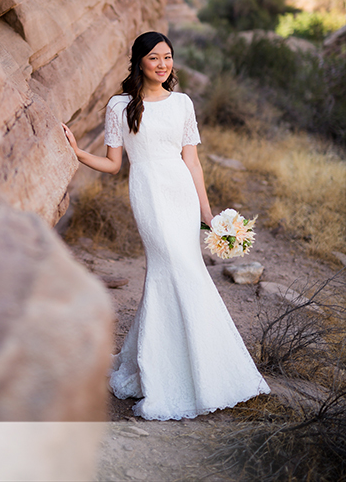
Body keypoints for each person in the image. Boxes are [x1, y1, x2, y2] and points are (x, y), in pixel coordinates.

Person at [62, 31, 269, 420]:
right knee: (172, 269)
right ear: (139, 61)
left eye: (168, 57)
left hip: (182, 195)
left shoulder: (183, 103)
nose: (162, 64)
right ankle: (171, 374)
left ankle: (202, 369)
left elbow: (191, 161)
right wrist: (77, 153)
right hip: (149, 193)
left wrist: (207, 214)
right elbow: (112, 164)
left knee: (185, 272)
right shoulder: (120, 105)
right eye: (154, 57)